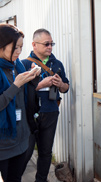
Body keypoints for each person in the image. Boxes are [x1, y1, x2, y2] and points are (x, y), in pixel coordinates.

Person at [21, 28, 69, 182]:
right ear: (34, 44)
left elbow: (66, 88)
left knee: (46, 152)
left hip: (51, 112)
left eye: (51, 44)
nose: (50, 47)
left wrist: (61, 84)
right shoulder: (24, 64)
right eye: (46, 44)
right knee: (26, 152)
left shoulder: (57, 64)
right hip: (30, 116)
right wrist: (40, 85)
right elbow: (18, 92)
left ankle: (41, 180)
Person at [0, 24, 41, 182]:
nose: (19, 52)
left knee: (16, 178)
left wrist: (33, 77)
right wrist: (15, 85)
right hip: (3, 144)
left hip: (21, 138)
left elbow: (25, 97)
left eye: (21, 47)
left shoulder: (17, 65)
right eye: (15, 47)